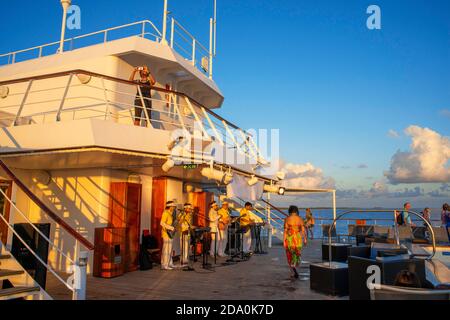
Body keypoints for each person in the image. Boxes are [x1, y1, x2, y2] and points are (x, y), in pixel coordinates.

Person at [284, 206, 307, 279]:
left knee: (289, 254)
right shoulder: (300, 219)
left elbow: (285, 231)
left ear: (290, 211)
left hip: (290, 238)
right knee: (296, 253)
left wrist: (284, 241)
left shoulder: (287, 219)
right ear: (296, 211)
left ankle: (292, 271)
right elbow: (303, 230)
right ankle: (294, 266)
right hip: (297, 238)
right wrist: (305, 239)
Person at [160, 201, 177, 270]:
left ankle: (170, 263)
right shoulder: (165, 213)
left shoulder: (170, 213)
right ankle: (164, 265)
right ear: (169, 206)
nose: (174, 208)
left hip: (170, 234)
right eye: (173, 206)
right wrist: (171, 228)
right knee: (166, 250)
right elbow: (162, 223)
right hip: (166, 234)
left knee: (170, 249)